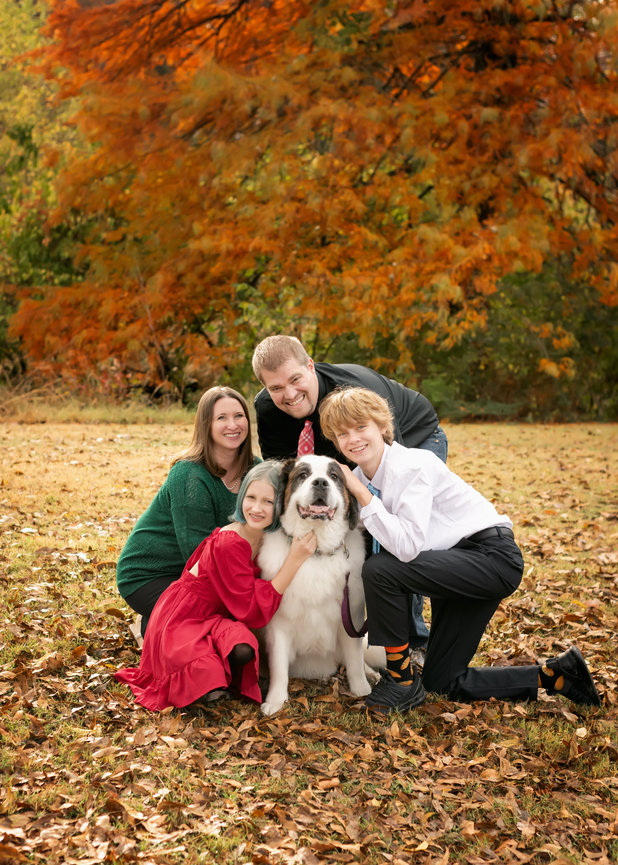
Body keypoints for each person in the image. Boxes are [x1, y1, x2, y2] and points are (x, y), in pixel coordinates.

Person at [318, 386, 601, 714]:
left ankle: (401, 681)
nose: (352, 439)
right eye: (342, 434)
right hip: (450, 568)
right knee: (443, 682)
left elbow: (407, 547)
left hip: (490, 558)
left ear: (382, 425)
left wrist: (361, 496)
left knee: (381, 570)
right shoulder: (359, 479)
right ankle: (558, 676)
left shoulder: (411, 465)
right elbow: (349, 533)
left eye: (360, 427)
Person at [252, 334, 446, 655]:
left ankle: (413, 642)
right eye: (275, 388)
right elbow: (285, 475)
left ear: (310, 366)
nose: (288, 394)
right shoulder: (267, 409)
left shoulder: (355, 391)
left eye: (296, 379)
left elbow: (381, 458)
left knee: (391, 536)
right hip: (347, 452)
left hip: (410, 437)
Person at [115, 461, 317, 710]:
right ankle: (177, 656)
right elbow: (250, 609)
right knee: (231, 657)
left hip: (216, 612)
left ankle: (215, 672)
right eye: (250, 497)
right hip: (185, 615)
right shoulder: (230, 542)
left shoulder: (266, 535)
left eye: (268, 501)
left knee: (242, 648)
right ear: (241, 497)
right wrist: (295, 559)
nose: (256, 508)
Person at [116, 385, 259, 637]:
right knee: (213, 632)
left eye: (239, 416)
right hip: (152, 573)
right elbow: (197, 551)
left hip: (206, 570)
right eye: (221, 418)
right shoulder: (189, 474)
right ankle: (154, 627)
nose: (233, 425)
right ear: (206, 424)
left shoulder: (255, 469)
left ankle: (163, 618)